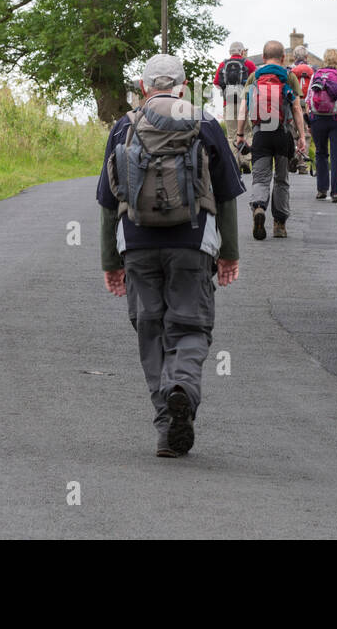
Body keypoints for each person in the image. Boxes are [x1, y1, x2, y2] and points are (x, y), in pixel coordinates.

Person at [99, 54, 245, 456]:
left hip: (137, 245)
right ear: (182, 87)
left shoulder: (124, 127)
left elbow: (109, 202)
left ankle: (167, 425)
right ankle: (181, 386)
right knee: (191, 327)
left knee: (151, 332)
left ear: (144, 87)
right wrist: (229, 253)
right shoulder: (206, 123)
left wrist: (110, 261)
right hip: (193, 244)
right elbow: (227, 197)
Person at [236, 40, 308, 240]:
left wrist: (241, 134)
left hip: (261, 134)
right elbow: (296, 109)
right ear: (283, 57)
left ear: (264, 56)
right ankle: (280, 224)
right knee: (282, 180)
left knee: (260, 178)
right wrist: (301, 136)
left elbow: (243, 108)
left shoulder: (254, 76)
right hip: (283, 135)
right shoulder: (289, 76)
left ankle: (259, 207)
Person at [307, 48, 337, 203]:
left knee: (321, 152)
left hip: (318, 118)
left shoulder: (316, 75)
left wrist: (310, 118)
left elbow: (309, 98)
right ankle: (336, 192)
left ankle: (321, 189)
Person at [215, 42, 257, 172]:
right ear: (242, 52)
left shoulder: (223, 64)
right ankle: (246, 159)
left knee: (232, 134)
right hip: (245, 103)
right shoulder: (248, 64)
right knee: (248, 131)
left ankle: (235, 162)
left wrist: (226, 90)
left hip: (228, 103)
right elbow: (256, 81)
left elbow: (216, 83)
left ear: (230, 52)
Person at [289, 46, 316, 175]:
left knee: (293, 133)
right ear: (306, 57)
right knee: (305, 133)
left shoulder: (290, 69)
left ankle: (294, 156)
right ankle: (303, 164)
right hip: (308, 104)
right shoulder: (313, 70)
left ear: (294, 57)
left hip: (293, 103)